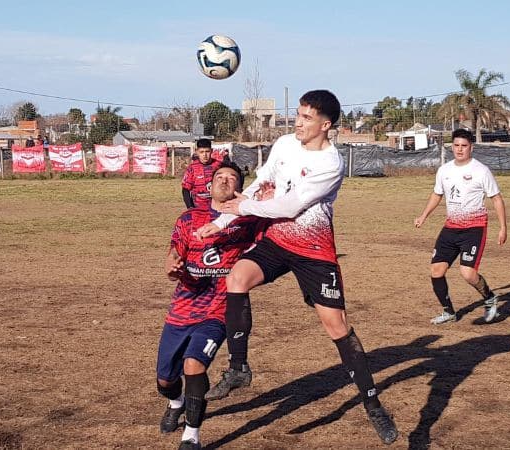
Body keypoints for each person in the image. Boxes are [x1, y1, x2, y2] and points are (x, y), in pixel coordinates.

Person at [195, 90, 398, 445]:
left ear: (326, 124)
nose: (298, 123)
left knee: (337, 326)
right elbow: (261, 187)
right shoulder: (285, 144)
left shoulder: (331, 164)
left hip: (313, 251)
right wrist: (225, 220)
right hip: (276, 241)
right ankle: (239, 369)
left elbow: (289, 205)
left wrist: (241, 211)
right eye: (298, 115)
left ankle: (373, 405)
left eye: (306, 118)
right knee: (237, 278)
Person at [156, 162, 262, 450]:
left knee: (194, 365)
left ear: (240, 188)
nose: (225, 181)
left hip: (219, 308)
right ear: (209, 185)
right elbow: (175, 248)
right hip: (183, 305)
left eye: (232, 178)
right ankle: (176, 403)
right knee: (165, 379)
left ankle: (192, 434)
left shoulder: (249, 220)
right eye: (220, 177)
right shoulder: (189, 218)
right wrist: (172, 263)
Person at [414, 129, 507, 325]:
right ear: (452, 147)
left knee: (468, 273)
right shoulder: (444, 170)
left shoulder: (481, 171)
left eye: (464, 146)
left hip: (474, 228)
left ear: (471, 147)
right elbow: (437, 194)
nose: (459, 149)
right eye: (456, 145)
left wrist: (503, 228)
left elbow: (497, 199)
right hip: (450, 227)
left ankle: (490, 298)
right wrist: (424, 215)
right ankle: (448, 312)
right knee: (436, 271)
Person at [182, 139, 222, 210]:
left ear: (212, 151)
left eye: (207, 151)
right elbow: (185, 189)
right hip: (198, 209)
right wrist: (190, 207)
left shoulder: (219, 166)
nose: (205, 155)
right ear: (197, 152)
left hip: (217, 209)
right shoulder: (192, 168)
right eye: (201, 152)